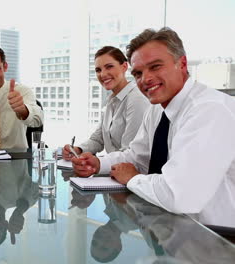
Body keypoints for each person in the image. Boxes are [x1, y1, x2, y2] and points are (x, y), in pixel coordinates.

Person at [72, 27, 235, 225]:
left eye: (155, 67)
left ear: (182, 64)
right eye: (138, 73)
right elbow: (136, 156)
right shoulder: (157, 109)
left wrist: (132, 178)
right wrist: (99, 164)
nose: (146, 79)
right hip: (172, 229)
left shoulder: (210, 110)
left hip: (217, 240)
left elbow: (178, 194)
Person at [63, 46, 149, 159]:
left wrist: (98, 164)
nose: (102, 74)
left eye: (109, 67)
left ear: (124, 66)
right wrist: (78, 149)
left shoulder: (136, 99)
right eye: (98, 70)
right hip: (113, 168)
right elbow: (98, 140)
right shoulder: (112, 100)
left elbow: (129, 151)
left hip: (130, 172)